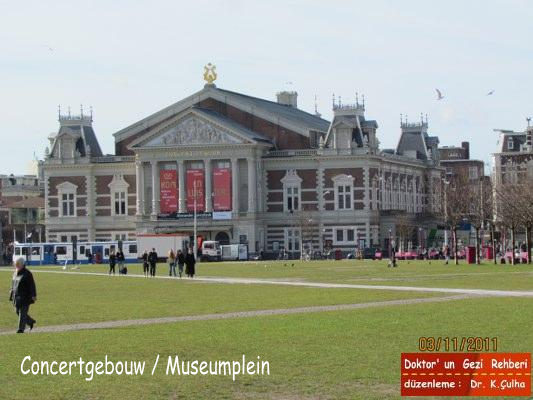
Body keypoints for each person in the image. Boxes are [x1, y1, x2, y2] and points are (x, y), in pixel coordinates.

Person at [9, 257, 37, 333]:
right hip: (16, 296)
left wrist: (33, 295)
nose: (16, 265)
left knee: (22, 312)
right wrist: (11, 292)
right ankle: (30, 321)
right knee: (17, 311)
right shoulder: (15, 273)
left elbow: (32, 285)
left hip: (25, 297)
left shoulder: (27, 273)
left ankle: (21, 329)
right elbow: (13, 284)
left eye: (18, 264)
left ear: (22, 264)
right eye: (15, 264)